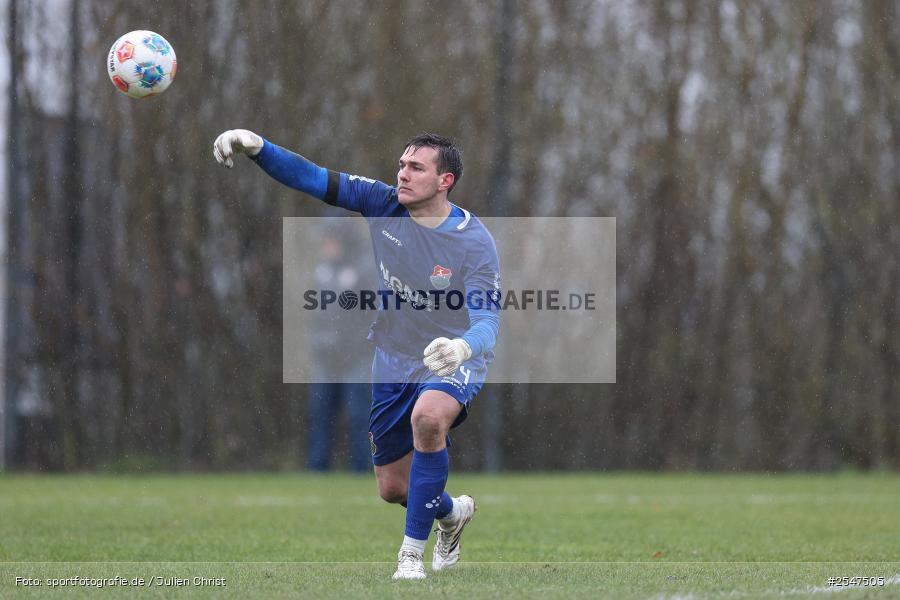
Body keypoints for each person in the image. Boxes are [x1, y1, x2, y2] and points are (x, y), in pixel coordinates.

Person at [213, 129, 501, 580]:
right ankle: (451, 513)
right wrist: (259, 149)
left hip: (453, 356)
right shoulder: (382, 203)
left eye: (416, 167)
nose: (402, 174)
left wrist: (461, 346)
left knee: (428, 419)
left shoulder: (473, 241)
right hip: (393, 354)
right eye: (402, 165)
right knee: (393, 488)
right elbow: (313, 178)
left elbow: (488, 322)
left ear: (445, 181)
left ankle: (410, 556)